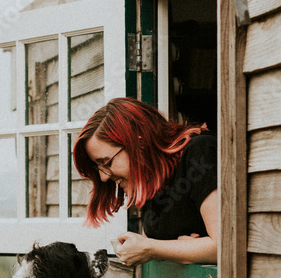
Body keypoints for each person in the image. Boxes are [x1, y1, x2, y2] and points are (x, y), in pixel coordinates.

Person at [73, 97, 218, 265]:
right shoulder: (152, 181)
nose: (103, 177)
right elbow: (169, 246)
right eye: (97, 167)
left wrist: (150, 248)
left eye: (107, 162)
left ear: (139, 144)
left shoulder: (199, 152)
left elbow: (222, 245)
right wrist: (180, 249)